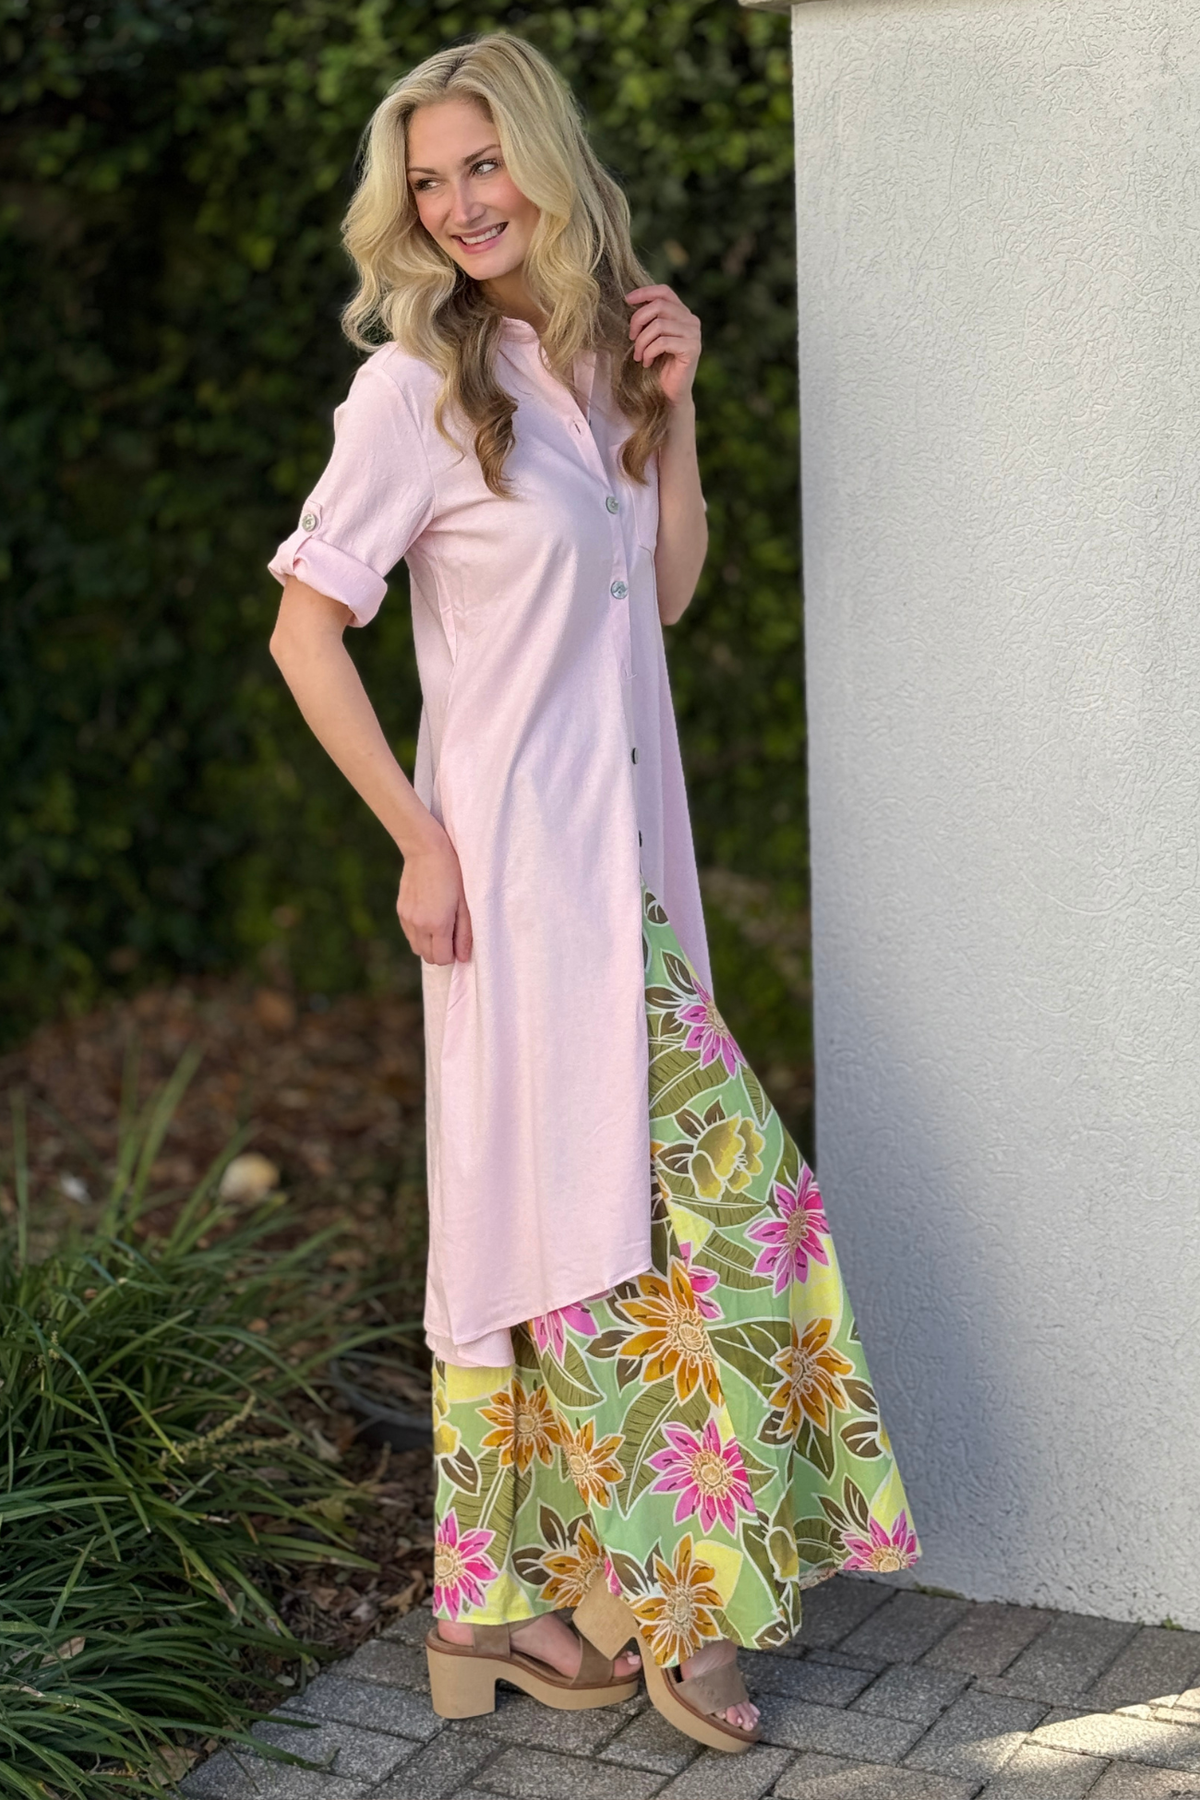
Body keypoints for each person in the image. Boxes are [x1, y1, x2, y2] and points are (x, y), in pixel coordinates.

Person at [268, 33, 920, 1755]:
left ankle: (500, 1610)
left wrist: (678, 409)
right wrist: (417, 835)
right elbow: (303, 632)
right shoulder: (410, 388)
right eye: (428, 179)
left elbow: (672, 590)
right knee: (698, 1230)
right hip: (515, 885)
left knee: (578, 1230)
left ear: (548, 163)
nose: (461, 204)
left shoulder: (599, 362)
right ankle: (670, 1619)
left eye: (484, 165)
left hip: (632, 874)